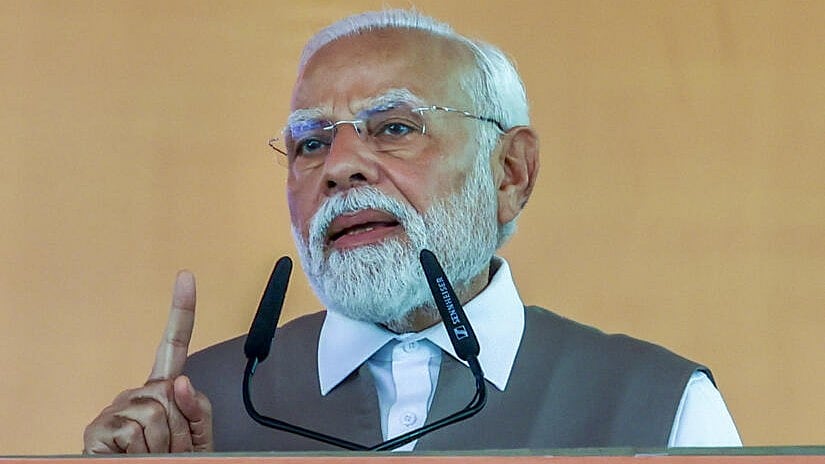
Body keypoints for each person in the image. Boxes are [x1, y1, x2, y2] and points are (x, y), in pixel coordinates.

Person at [83, 9, 741, 454]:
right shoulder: (199, 406)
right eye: (310, 142)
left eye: (394, 128)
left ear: (510, 172)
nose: (338, 166)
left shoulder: (655, 405)